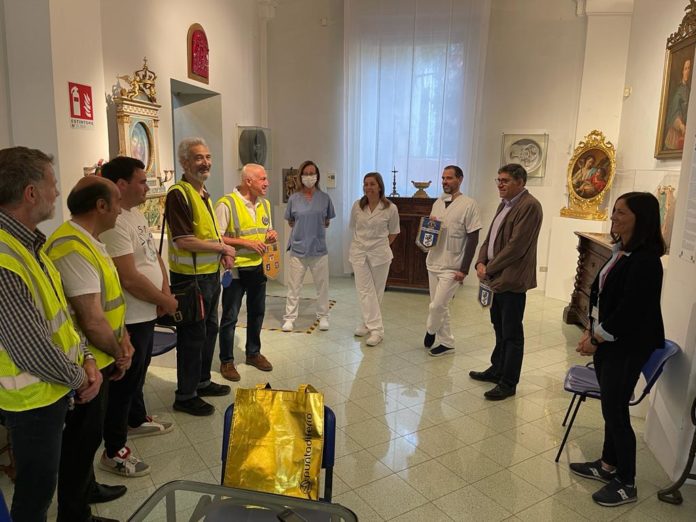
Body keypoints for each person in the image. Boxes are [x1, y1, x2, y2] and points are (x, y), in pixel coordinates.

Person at [0, 147, 109, 522]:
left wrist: (88, 357)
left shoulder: (31, 244)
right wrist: (81, 378)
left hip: (55, 387)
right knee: (35, 494)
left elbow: (61, 317)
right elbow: (30, 350)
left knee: (47, 482)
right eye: (52, 184)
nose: (58, 192)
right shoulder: (4, 257)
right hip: (31, 401)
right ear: (30, 193)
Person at [569, 192, 666, 507]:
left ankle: (626, 482)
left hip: (627, 346)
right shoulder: (621, 251)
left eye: (621, 212)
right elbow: (602, 296)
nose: (613, 216)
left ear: (641, 218)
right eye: (614, 210)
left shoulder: (646, 261)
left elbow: (630, 311)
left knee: (616, 412)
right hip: (611, 342)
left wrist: (596, 338)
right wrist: (591, 329)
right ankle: (607, 465)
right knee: (610, 408)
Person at [45, 176, 133, 522]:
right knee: (80, 441)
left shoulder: (90, 241)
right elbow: (91, 319)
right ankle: (74, 513)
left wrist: (123, 339)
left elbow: (111, 302)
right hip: (86, 364)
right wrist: (120, 352)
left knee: (90, 435)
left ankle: (87, 488)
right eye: (117, 202)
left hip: (103, 355)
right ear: (100, 206)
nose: (120, 209)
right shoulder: (71, 247)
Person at [99, 157, 178, 462]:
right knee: (125, 383)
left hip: (148, 310)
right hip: (130, 316)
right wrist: (165, 301)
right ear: (121, 185)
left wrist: (165, 292)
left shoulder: (135, 214)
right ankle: (114, 448)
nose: (148, 187)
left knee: (139, 375)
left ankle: (136, 419)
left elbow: (153, 257)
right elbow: (129, 277)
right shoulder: (114, 222)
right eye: (142, 181)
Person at [165, 137, 234, 415]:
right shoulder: (178, 194)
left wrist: (222, 253)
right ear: (184, 163)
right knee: (192, 337)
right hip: (189, 279)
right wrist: (222, 247)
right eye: (198, 158)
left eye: (208, 157)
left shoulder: (204, 193)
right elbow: (183, 240)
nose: (205, 163)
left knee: (209, 331)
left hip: (209, 276)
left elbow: (209, 234)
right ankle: (185, 395)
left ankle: (202, 381)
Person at [471, 163, 543, 400]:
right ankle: (497, 369)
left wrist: (489, 267)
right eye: (498, 180)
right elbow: (490, 238)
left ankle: (508, 382)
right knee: (499, 327)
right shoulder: (505, 203)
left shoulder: (529, 206)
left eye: (505, 181)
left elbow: (516, 247)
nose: (500, 185)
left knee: (512, 333)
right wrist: (480, 261)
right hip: (495, 277)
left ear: (520, 182)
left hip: (511, 279)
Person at [216, 163, 277, 380]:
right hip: (235, 270)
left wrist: (270, 235)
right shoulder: (226, 204)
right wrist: (246, 243)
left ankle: (253, 353)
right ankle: (226, 361)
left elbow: (265, 230)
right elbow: (217, 237)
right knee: (230, 316)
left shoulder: (265, 204)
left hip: (258, 267)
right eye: (262, 179)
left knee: (257, 312)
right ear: (248, 181)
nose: (267, 183)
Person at [423, 165, 481, 356]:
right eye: (443, 178)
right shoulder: (438, 202)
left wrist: (464, 269)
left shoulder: (469, 204)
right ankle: (447, 343)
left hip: (453, 265)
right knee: (441, 306)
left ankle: (431, 330)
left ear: (460, 179)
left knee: (437, 305)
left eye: (449, 178)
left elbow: (473, 238)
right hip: (433, 261)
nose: (445, 182)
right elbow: (430, 230)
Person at [281, 160, 336, 332]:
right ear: (301, 176)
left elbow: (327, 221)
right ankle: (289, 318)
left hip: (318, 249)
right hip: (298, 248)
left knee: (322, 286)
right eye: (306, 173)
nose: (309, 176)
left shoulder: (324, 198)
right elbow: (291, 221)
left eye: (312, 173)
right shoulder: (294, 199)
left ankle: (323, 316)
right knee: (294, 286)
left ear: (317, 176)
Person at [348, 172, 400, 346]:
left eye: (372, 184)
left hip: (380, 255)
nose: (368, 187)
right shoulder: (357, 206)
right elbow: (353, 227)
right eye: (366, 184)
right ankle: (376, 329)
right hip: (358, 253)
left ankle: (368, 325)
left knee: (376, 292)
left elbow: (394, 232)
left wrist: (380, 245)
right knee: (364, 291)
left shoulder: (390, 208)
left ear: (379, 187)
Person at [663, 58, 691, 151]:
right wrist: (681, 126)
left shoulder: (688, 89)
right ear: (682, 71)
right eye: (686, 68)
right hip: (674, 135)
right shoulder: (678, 90)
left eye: (689, 68)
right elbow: (674, 111)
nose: (688, 71)